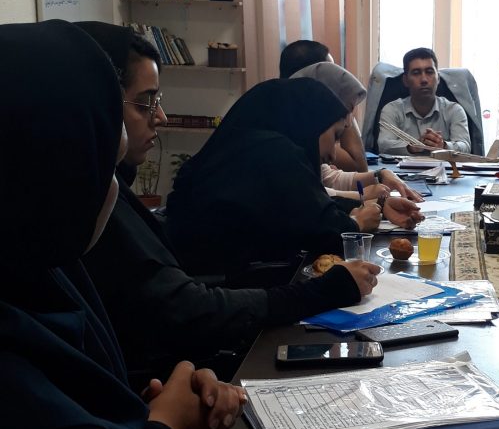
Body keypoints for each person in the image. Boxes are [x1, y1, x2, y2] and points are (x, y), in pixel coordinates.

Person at [0, 19, 245, 429]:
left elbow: (78, 411)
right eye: (99, 164)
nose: (109, 186)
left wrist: (159, 401)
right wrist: (168, 424)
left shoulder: (44, 270)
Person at [74, 22, 381, 387]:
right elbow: (185, 310)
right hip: (174, 368)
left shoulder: (108, 188)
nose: (161, 117)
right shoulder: (90, 203)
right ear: (97, 104)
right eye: (146, 102)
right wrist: (323, 291)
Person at [165, 77, 423, 277]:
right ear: (311, 124)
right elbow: (321, 229)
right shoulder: (274, 152)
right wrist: (355, 225)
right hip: (227, 287)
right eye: (334, 136)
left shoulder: (254, 145)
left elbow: (310, 204)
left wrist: (378, 205)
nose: (333, 155)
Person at [291, 61, 423, 201]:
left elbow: (330, 179)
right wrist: (361, 197)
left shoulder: (301, 144)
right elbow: (309, 194)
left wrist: (380, 175)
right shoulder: (283, 152)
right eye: (336, 136)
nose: (333, 155)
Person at [280, 39, 368, 172]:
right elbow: (359, 166)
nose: (337, 77)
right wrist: (343, 104)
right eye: (331, 72)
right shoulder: (300, 131)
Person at [377, 47, 472, 155]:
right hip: (404, 166)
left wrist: (444, 146)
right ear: (405, 80)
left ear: (438, 78)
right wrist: (412, 146)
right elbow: (383, 145)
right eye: (416, 73)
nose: (424, 80)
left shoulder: (454, 110)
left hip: (444, 166)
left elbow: (465, 146)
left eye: (429, 72)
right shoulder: (392, 110)